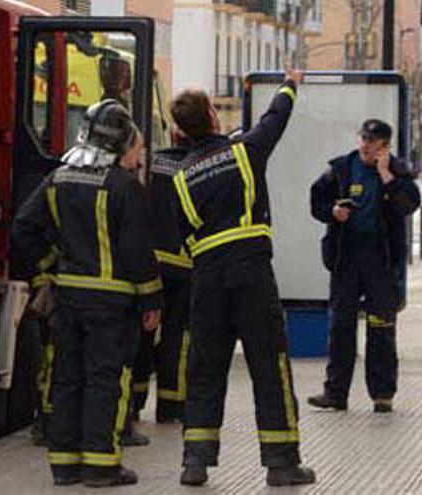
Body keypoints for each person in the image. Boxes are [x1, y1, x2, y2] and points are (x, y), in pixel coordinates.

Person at [169, 59, 315, 487]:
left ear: (180, 131)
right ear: (214, 115)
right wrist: (291, 83)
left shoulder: (181, 177)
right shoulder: (245, 151)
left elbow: (184, 236)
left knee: (205, 370)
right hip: (251, 274)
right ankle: (281, 463)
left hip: (208, 280)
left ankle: (194, 463)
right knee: (269, 366)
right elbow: (276, 118)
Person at [12, 99, 162, 487]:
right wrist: (151, 300)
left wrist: (46, 270)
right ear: (120, 143)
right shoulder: (123, 187)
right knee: (105, 380)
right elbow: (136, 252)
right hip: (112, 303)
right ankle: (100, 465)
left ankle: (64, 465)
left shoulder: (57, 179)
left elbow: (23, 231)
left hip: (68, 299)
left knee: (67, 378)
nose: (138, 155)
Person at [307, 119, 420, 414]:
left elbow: (408, 205)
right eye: (364, 139)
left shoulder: (397, 171)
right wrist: (333, 212)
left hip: (380, 260)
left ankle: (382, 394)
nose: (366, 146)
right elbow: (316, 199)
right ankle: (335, 392)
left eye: (374, 142)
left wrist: (386, 176)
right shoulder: (342, 169)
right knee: (341, 325)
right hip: (347, 257)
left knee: (381, 328)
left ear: (385, 147)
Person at [127, 129, 194, 426]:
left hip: (151, 261)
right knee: (178, 336)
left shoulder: (153, 164)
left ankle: (134, 400)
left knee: (142, 331)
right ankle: (171, 404)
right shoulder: (200, 166)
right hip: (185, 264)